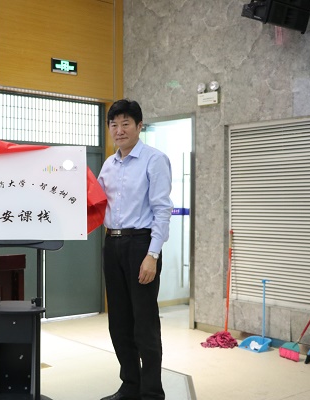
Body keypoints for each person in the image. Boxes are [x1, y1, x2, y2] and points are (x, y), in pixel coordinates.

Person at [97, 99, 173, 400]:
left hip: (141, 244)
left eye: (126, 123)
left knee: (144, 323)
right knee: (118, 321)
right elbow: (95, 201)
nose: (119, 130)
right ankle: (130, 385)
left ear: (139, 126)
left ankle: (152, 392)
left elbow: (162, 210)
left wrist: (152, 255)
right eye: (114, 124)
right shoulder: (108, 164)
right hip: (112, 244)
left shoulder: (154, 160)